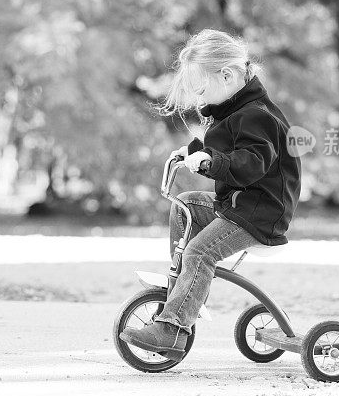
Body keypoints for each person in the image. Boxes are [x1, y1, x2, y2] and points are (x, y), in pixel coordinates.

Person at [119, 29, 302, 360]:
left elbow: (251, 163)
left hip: (259, 214)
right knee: (186, 204)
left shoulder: (258, 115)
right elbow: (227, 150)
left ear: (228, 75)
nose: (199, 101)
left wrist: (212, 161)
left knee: (200, 252)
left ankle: (173, 330)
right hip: (239, 205)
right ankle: (183, 287)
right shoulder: (234, 110)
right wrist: (193, 152)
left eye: (202, 90)